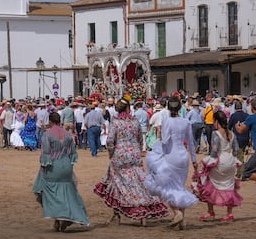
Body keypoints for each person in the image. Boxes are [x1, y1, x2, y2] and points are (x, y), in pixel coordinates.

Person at [94, 94, 168, 227]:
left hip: (120, 155)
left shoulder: (116, 122)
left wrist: (111, 153)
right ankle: (143, 211)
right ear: (127, 108)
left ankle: (117, 214)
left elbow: (110, 141)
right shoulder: (135, 121)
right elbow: (140, 138)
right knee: (139, 182)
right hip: (134, 154)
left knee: (116, 183)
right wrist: (138, 151)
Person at [145, 95, 198, 230]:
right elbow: (191, 143)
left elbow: (165, 140)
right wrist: (194, 160)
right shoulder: (186, 122)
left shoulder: (167, 121)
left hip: (171, 155)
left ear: (168, 108)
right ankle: (182, 221)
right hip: (183, 156)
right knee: (179, 186)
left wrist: (158, 152)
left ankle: (177, 212)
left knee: (167, 187)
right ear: (180, 108)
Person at [32, 112, 90, 232]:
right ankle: (63, 219)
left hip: (53, 166)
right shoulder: (68, 135)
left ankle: (58, 220)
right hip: (66, 166)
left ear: (51, 122)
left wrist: (43, 168)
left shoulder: (47, 135)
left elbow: (46, 154)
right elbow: (73, 153)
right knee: (68, 192)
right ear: (60, 121)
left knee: (50, 192)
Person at [194, 111, 242, 222]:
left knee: (208, 183)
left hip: (219, 160)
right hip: (230, 160)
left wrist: (208, 160)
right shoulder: (231, 133)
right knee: (229, 185)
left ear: (216, 121)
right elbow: (236, 150)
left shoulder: (216, 133)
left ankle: (211, 211)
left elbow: (214, 150)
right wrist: (232, 158)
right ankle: (229, 213)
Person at [235, 98, 256, 181]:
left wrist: (237, 126)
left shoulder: (251, 118)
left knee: (246, 172)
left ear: (252, 107)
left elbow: (240, 130)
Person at [228, 101, 249, 178]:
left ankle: (241, 174)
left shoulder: (233, 116)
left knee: (239, 157)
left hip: (237, 139)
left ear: (235, 107)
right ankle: (240, 172)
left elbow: (229, 127)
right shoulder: (246, 115)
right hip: (245, 138)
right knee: (241, 155)